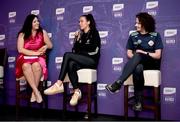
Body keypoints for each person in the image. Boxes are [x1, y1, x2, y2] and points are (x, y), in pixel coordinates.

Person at [106, 12, 163, 111]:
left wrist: (144, 53)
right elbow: (129, 53)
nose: (135, 25)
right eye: (135, 23)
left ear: (145, 23)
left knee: (139, 54)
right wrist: (136, 58)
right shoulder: (133, 35)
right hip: (139, 63)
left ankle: (118, 83)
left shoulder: (155, 35)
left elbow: (158, 55)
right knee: (138, 68)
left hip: (152, 63)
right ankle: (138, 102)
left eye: (138, 23)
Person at [44, 14, 101, 106]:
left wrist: (82, 50)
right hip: (82, 61)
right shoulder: (80, 35)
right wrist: (76, 39)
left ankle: (58, 83)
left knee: (67, 55)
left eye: (82, 21)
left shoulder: (94, 33)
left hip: (91, 60)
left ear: (88, 22)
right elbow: (75, 51)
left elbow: (94, 49)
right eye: (79, 22)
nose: (80, 23)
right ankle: (77, 91)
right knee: (71, 64)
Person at [16, 14, 53, 103]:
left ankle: (33, 92)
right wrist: (35, 53)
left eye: (38, 21)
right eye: (35, 21)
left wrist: (46, 46)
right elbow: (20, 49)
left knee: (36, 65)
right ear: (30, 23)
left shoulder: (42, 32)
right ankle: (36, 91)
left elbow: (50, 45)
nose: (37, 23)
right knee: (25, 65)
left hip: (38, 58)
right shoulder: (22, 34)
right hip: (25, 58)